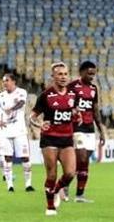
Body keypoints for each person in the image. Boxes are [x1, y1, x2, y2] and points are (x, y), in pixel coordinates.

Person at [31, 62, 78, 216]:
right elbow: (32, 117)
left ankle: (56, 190)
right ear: (53, 77)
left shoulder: (73, 94)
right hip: (50, 138)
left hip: (66, 139)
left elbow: (74, 111)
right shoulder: (46, 96)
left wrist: (77, 116)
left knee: (70, 173)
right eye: (60, 74)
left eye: (65, 74)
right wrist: (39, 124)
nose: (63, 77)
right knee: (51, 174)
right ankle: (50, 206)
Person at [67, 60, 106, 202]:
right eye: (89, 73)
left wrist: (101, 131)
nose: (91, 76)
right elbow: (65, 104)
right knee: (82, 158)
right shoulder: (72, 87)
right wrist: (72, 111)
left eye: (93, 74)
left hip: (90, 128)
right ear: (81, 72)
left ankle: (78, 194)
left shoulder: (94, 89)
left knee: (83, 163)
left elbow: (95, 110)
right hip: (77, 127)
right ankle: (65, 186)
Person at [0, 73, 34, 192]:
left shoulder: (21, 92)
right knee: (7, 158)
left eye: (7, 80)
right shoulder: (0, 96)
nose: (4, 83)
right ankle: (10, 185)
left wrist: (11, 109)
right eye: (3, 81)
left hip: (20, 131)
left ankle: (28, 184)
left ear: (13, 81)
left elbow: (21, 103)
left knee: (25, 158)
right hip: (6, 133)